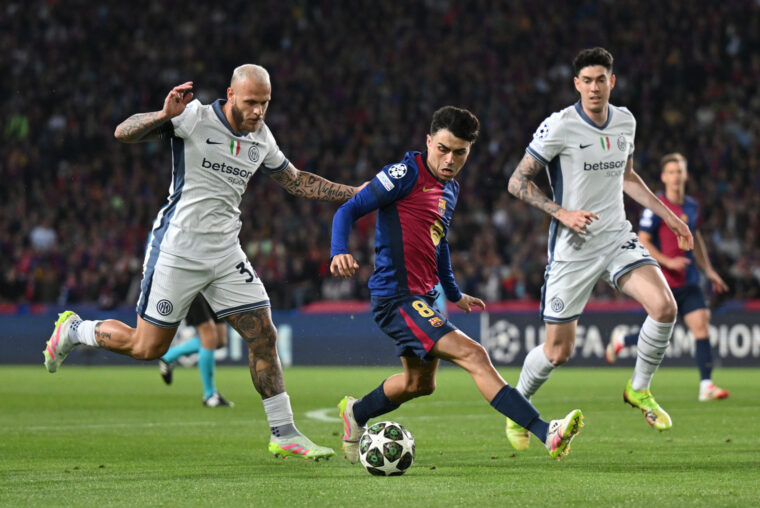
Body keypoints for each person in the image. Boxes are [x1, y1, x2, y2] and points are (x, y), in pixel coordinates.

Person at [42, 64, 362, 460]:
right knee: (147, 347)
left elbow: (296, 180)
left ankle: (284, 433)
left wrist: (355, 193)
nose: (259, 111)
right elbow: (122, 132)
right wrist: (162, 116)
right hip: (178, 249)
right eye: (251, 102)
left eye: (265, 103)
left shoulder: (261, 137)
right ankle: (76, 329)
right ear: (231, 95)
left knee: (264, 335)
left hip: (226, 253)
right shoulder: (193, 118)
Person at [330, 106, 583, 462]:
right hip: (396, 298)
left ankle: (355, 413)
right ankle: (546, 432)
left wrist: (452, 292)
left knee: (419, 384)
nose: (450, 160)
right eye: (443, 149)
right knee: (474, 354)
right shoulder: (403, 174)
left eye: (460, 152)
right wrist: (338, 251)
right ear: (428, 142)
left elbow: (439, 241)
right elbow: (348, 209)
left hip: (422, 297)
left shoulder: (450, 189)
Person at [505, 47, 694, 449]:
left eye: (601, 80)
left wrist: (670, 217)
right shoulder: (560, 126)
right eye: (587, 81)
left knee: (665, 307)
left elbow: (628, 177)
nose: (594, 87)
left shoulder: (625, 121)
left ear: (612, 82)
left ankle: (638, 388)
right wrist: (562, 213)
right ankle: (517, 406)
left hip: (616, 236)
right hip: (573, 248)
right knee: (558, 352)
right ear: (576, 84)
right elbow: (517, 182)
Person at [605, 153, 730, 402]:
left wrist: (708, 270)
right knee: (660, 335)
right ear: (663, 177)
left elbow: (696, 239)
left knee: (701, 326)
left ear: (686, 175)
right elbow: (643, 240)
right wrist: (668, 261)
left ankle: (706, 385)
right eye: (671, 172)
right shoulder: (657, 206)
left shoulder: (692, 206)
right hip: (663, 282)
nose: (676, 176)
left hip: (689, 281)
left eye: (679, 171)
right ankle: (623, 340)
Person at [159, 294, 234, 407]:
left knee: (220, 340)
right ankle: (210, 395)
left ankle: (169, 356)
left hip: (211, 290)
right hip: (193, 289)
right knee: (209, 335)